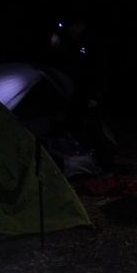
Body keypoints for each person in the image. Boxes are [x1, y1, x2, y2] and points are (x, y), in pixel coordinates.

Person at [50, 16, 115, 175]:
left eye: (70, 28)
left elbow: (101, 71)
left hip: (90, 94)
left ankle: (108, 167)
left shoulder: (94, 41)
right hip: (80, 91)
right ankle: (73, 161)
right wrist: (59, 46)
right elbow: (75, 58)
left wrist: (95, 97)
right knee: (71, 123)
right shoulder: (80, 41)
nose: (68, 31)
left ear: (78, 25)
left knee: (94, 128)